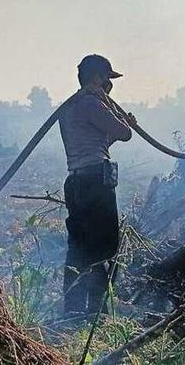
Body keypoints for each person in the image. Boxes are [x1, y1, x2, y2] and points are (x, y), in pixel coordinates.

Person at [58, 54, 136, 318]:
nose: (109, 87)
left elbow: (98, 143)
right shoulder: (92, 103)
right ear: (96, 78)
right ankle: (97, 315)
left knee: (79, 247)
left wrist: (120, 123)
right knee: (104, 247)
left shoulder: (68, 108)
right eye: (107, 80)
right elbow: (124, 133)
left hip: (76, 181)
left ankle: (73, 311)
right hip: (96, 182)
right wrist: (122, 119)